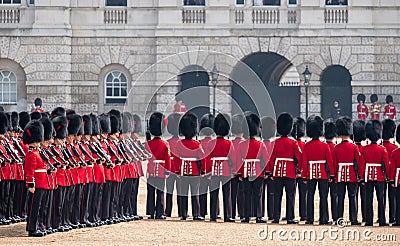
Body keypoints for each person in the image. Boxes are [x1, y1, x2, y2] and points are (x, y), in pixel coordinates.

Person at [267, 113, 302, 224]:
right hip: (290, 171)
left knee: (277, 195)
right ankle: (290, 217)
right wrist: (299, 170)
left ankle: (276, 217)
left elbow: (271, 159)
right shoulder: (293, 143)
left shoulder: (274, 143)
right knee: (290, 196)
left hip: (277, 171)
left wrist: (271, 172)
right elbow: (299, 157)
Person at [237, 112, 269, 223]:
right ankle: (258, 215)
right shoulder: (260, 144)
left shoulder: (241, 145)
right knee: (258, 194)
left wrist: (240, 173)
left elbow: (239, 161)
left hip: (246, 171)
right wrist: (266, 172)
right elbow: (265, 160)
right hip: (258, 172)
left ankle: (246, 216)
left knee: (246, 194)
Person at [301, 115, 334, 225]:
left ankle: (309, 219)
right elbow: (329, 162)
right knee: (323, 197)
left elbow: (305, 162)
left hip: (310, 173)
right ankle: (323, 219)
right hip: (323, 174)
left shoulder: (307, 146)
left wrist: (304, 176)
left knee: (310, 196)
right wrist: (331, 174)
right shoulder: (325, 146)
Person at [23, 120, 52, 237]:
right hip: (36, 184)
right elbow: (29, 171)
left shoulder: (37, 152)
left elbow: (42, 166)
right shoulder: (31, 153)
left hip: (42, 182)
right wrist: (31, 185)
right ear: (34, 141)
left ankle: (39, 225)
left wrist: (49, 170)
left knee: (40, 206)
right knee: (34, 207)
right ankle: (32, 228)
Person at [333, 116, 362, 225]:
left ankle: (339, 219)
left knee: (340, 197)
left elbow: (334, 164)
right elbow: (358, 162)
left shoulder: (336, 147)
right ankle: (353, 219)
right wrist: (359, 175)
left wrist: (334, 175)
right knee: (352, 196)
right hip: (352, 175)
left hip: (340, 174)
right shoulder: (354, 147)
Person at [360, 120, 389, 226]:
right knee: (381, 199)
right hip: (380, 176)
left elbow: (362, 165)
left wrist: (362, 177)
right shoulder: (382, 149)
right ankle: (382, 220)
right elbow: (385, 165)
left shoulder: (365, 149)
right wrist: (387, 176)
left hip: (368, 176)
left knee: (368, 199)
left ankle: (369, 220)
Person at [176, 112, 205, 221]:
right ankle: (196, 214)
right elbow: (202, 158)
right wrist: (203, 171)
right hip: (195, 172)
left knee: (183, 194)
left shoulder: (179, 143)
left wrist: (177, 171)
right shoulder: (197, 144)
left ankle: (183, 214)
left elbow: (177, 159)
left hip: (183, 171)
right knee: (195, 194)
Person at [208, 113, 236, 222]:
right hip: (225, 170)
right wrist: (233, 170)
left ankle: (213, 215)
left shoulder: (211, 143)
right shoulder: (228, 143)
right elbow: (233, 158)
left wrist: (208, 172)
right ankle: (228, 216)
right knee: (227, 194)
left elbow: (208, 158)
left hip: (214, 170)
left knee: (213, 194)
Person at [145, 112, 171, 220]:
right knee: (160, 192)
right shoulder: (165, 144)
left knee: (150, 192)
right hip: (161, 169)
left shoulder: (148, 144)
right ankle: (160, 213)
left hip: (151, 169)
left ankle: (150, 212)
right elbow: (167, 159)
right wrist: (167, 171)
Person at [164, 113, 182, 218]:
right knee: (180, 192)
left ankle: (168, 211)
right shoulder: (181, 142)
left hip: (170, 169)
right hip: (179, 169)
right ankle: (181, 211)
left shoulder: (168, 142)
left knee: (169, 192)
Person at [198, 114, 215, 219]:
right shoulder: (215, 142)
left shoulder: (199, 143)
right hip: (213, 171)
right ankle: (215, 212)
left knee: (202, 193)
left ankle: (202, 212)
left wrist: (202, 170)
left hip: (202, 171)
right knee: (214, 194)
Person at [291, 117, 307, 222]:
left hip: (291, 171)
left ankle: (290, 214)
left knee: (291, 195)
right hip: (300, 172)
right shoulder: (304, 145)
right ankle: (303, 215)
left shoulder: (292, 144)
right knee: (303, 194)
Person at [382, 119, 397, 224]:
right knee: (392, 197)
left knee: (381, 197)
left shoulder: (381, 147)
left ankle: (381, 217)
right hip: (393, 176)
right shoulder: (394, 148)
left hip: (381, 174)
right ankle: (393, 217)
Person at [230, 114, 245, 219]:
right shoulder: (245, 144)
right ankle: (242, 213)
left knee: (232, 194)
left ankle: (232, 213)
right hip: (242, 172)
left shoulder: (230, 143)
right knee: (242, 194)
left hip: (231, 172)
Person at [261, 116, 275, 221]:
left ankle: (260, 213)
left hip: (261, 171)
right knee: (271, 194)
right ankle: (272, 214)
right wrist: (270, 172)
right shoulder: (273, 144)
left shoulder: (261, 144)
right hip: (272, 172)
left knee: (260, 194)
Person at [324, 119, 338, 222]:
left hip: (323, 174)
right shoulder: (335, 147)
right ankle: (336, 216)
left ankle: (324, 217)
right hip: (335, 175)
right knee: (334, 196)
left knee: (324, 197)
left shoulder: (323, 146)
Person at [352, 120, 366, 223]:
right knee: (364, 197)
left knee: (354, 197)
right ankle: (365, 217)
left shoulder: (354, 147)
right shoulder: (364, 148)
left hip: (352, 174)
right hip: (362, 175)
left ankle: (354, 217)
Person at [389, 124, 400, 227]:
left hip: (398, 179)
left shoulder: (395, 153)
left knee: (398, 200)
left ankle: (398, 219)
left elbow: (393, 168)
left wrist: (392, 180)